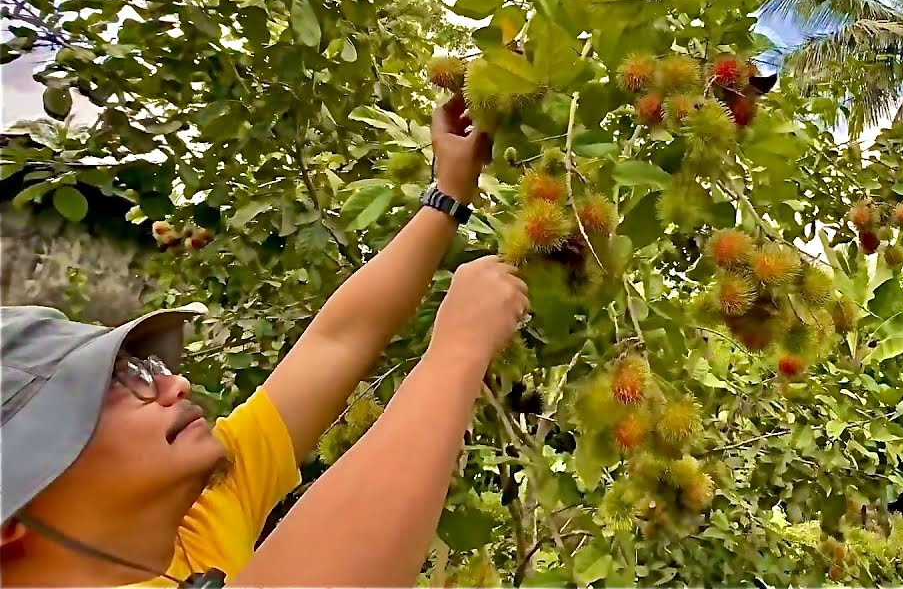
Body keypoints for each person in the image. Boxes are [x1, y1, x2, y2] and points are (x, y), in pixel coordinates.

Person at [0, 95, 530, 587]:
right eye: (122, 384)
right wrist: (456, 352)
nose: (175, 384)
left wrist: (448, 195)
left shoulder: (195, 521)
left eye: (148, 367)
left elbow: (336, 342)